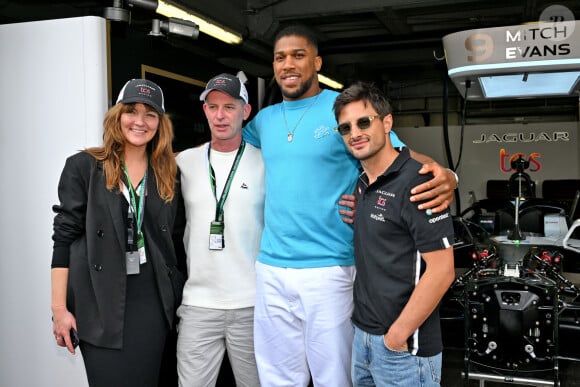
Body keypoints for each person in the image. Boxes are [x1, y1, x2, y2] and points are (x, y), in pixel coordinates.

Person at [242, 24, 458, 386]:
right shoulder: (263, 120)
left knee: (335, 378)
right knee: (277, 377)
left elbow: (398, 156)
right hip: (271, 268)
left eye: (298, 55)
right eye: (280, 57)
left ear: (317, 61)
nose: (288, 64)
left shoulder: (343, 110)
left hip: (330, 268)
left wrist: (446, 174)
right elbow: (226, 144)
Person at [51, 79, 187, 387]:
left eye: (150, 114)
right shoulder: (84, 167)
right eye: (132, 111)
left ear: (160, 124)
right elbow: (63, 239)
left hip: (152, 304)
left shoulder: (168, 174)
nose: (140, 121)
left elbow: (175, 243)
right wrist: (59, 310)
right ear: (117, 116)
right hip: (98, 304)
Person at [333, 81, 455, 386]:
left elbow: (442, 271)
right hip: (363, 340)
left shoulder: (419, 182)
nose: (355, 133)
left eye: (364, 122)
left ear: (387, 122)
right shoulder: (363, 182)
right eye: (345, 128)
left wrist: (397, 336)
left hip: (403, 350)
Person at [175, 73, 264, 387]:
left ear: (246, 111)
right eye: (213, 107)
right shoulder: (183, 162)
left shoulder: (266, 163)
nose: (220, 115)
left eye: (229, 106)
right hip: (198, 304)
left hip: (252, 303)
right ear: (205, 111)